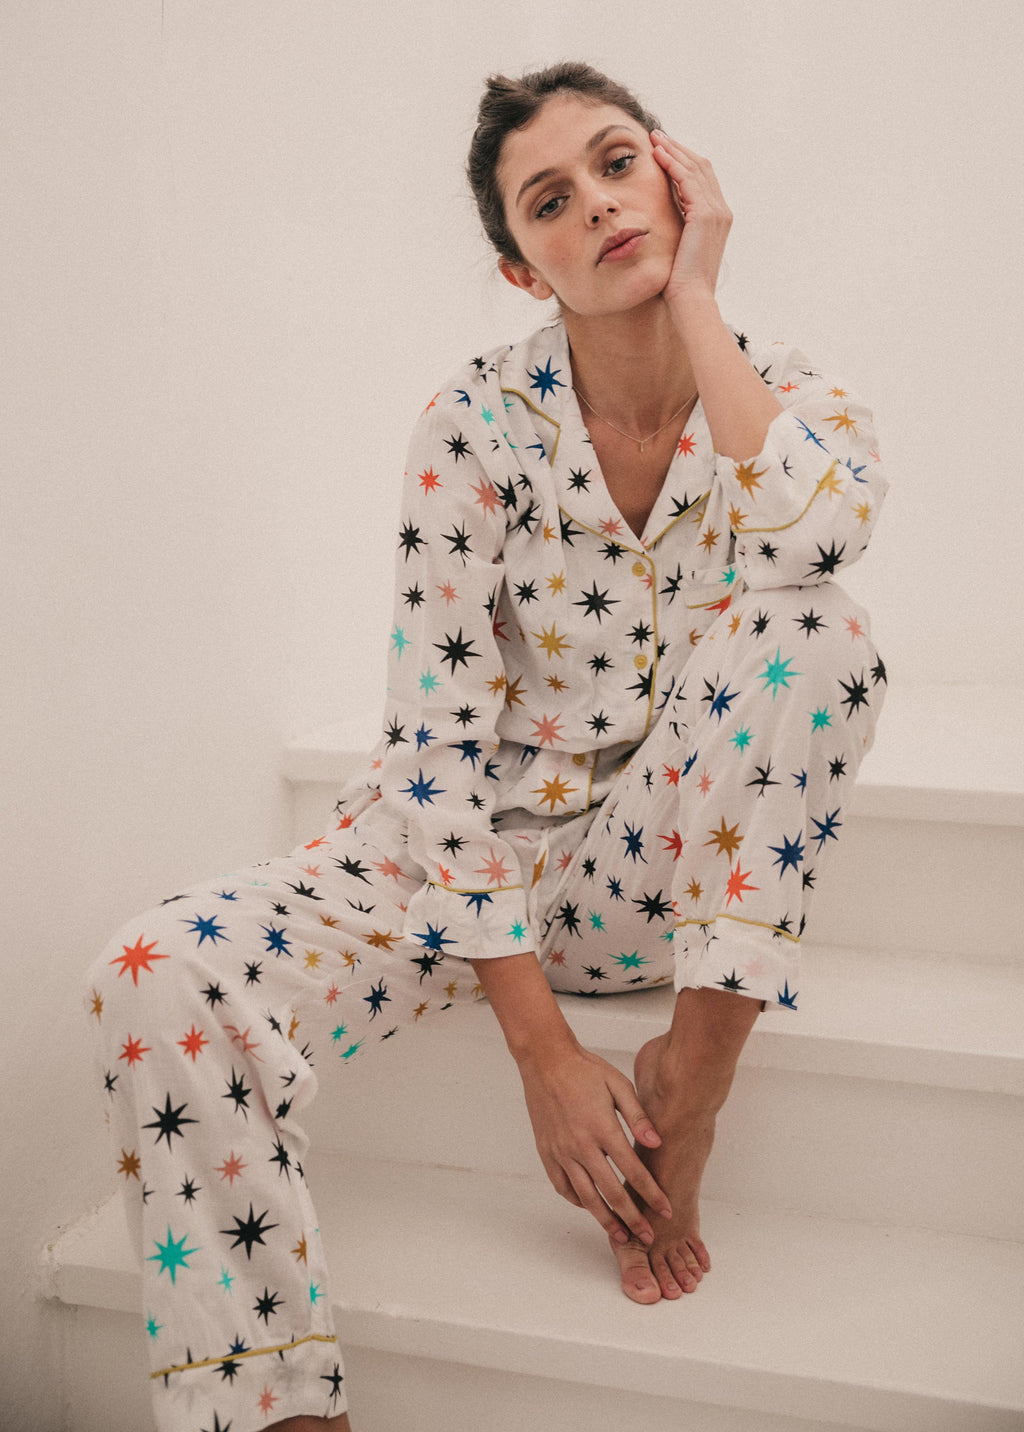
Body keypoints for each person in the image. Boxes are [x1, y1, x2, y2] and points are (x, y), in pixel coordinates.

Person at [85, 60, 888, 1432]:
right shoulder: (469, 430)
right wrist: (542, 1053)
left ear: (679, 180)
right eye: (550, 201)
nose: (600, 205)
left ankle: (693, 1090)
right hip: (452, 875)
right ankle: (281, 1411)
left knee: (821, 630)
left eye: (619, 163)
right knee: (151, 974)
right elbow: (434, 758)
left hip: (648, 879)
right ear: (523, 270)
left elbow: (823, 539)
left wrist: (697, 298)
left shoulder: (791, 396)